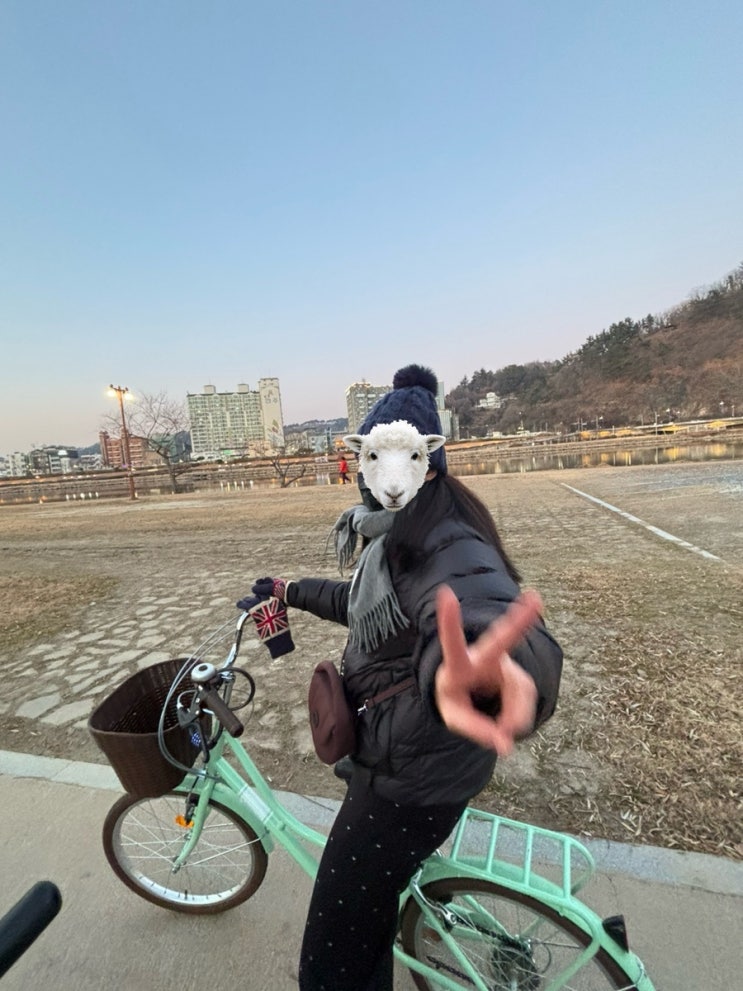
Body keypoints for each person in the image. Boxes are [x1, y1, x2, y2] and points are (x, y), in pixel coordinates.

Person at [241, 364, 563, 991]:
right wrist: (291, 590)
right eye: (370, 460)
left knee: (334, 958)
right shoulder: (398, 535)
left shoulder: (447, 541)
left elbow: (480, 605)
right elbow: (371, 609)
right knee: (372, 904)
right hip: (410, 757)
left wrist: (486, 676)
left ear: (429, 465)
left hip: (408, 782)